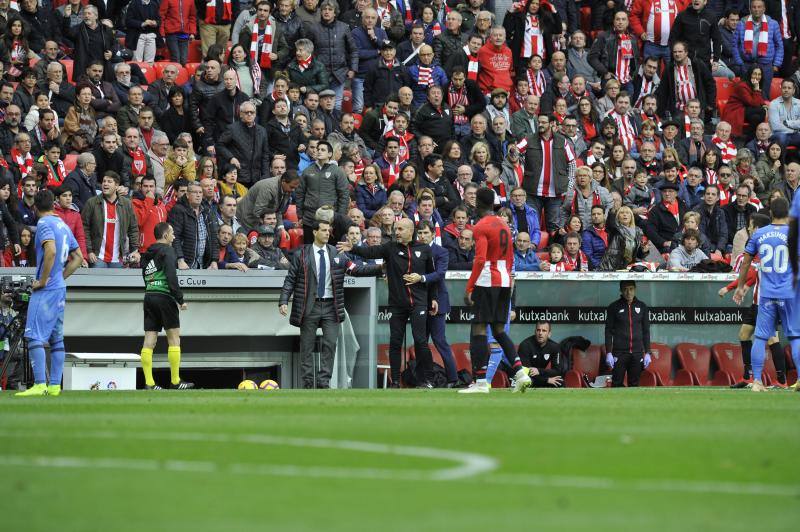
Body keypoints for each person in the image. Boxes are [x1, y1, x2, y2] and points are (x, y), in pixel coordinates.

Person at [337, 218, 438, 388]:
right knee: (395, 342)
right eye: (396, 229)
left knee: (420, 341)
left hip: (419, 302)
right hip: (397, 303)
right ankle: (396, 382)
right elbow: (370, 252)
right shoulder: (390, 248)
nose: (396, 232)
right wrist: (352, 248)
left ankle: (427, 379)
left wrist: (433, 298)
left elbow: (432, 275)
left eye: (400, 229)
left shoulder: (424, 249)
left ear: (410, 231)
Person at [279, 219, 380, 388]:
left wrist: (380, 268)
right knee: (307, 346)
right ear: (314, 232)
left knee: (330, 345)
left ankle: (323, 382)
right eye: (324, 230)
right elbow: (290, 279)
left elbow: (355, 269)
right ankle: (308, 383)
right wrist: (283, 300)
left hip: (331, 306)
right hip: (309, 305)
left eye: (329, 231)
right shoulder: (302, 254)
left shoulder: (337, 253)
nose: (327, 233)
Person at [460, 188, 532, 394]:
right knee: (499, 330)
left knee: (479, 329)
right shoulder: (504, 225)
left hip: (487, 280)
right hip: (504, 280)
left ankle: (481, 382)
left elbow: (480, 259)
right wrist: (508, 281)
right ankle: (521, 374)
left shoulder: (480, 226)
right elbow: (510, 257)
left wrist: (470, 286)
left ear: (477, 204)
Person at [15, 189, 83, 397]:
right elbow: (78, 257)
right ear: (54, 205)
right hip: (59, 288)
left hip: (46, 290)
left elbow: (51, 251)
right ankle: (54, 386)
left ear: (35, 208)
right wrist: (60, 277)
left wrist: (44, 280)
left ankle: (39, 384)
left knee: (34, 336)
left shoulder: (44, 224)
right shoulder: (63, 224)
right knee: (56, 339)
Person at [734, 197, 799, 392]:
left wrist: (740, 286)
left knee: (761, 338)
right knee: (795, 337)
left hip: (767, 294)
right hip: (789, 294)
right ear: (788, 213)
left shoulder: (759, 233)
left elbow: (746, 263)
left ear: (770, 213)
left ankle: (757, 381)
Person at [138, 222, 193, 390]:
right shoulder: (168, 251)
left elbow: (145, 274)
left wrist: (151, 288)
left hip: (149, 295)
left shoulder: (147, 253)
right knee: (174, 339)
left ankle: (149, 383)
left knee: (149, 341)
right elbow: (171, 275)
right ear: (165, 235)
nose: (174, 237)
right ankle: (175, 381)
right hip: (164, 297)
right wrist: (180, 299)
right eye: (172, 233)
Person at [417, 220, 457, 387]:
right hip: (419, 301)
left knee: (439, 341)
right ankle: (423, 379)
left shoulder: (441, 251)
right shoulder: (414, 250)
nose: (422, 236)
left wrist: (422, 278)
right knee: (421, 342)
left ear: (433, 234)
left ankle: (453, 379)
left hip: (438, 300)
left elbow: (440, 274)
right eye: (420, 233)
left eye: (426, 233)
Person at [81, 172, 140, 268]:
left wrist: (134, 250)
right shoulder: (92, 203)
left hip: (118, 258)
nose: (105, 184)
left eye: (109, 181)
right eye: (104, 181)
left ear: (116, 186)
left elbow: (133, 229)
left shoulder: (126, 204)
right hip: (97, 257)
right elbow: (84, 228)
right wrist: (89, 251)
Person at [297, 140, 349, 244]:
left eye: (323, 150)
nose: (319, 151)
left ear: (330, 154)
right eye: (318, 149)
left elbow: (344, 195)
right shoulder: (307, 171)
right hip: (309, 219)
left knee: (329, 250)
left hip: (329, 219)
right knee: (309, 249)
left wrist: (339, 218)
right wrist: (300, 215)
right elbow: (300, 194)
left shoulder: (337, 171)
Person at [604, 280, 652, 388]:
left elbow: (646, 331)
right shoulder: (613, 307)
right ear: (621, 290)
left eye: (631, 289)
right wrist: (609, 352)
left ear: (635, 289)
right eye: (625, 289)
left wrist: (648, 352)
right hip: (619, 353)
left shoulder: (642, 306)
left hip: (637, 353)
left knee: (634, 385)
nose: (628, 292)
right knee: (616, 384)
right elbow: (608, 331)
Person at [517, 321, 565, 388]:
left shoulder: (555, 347)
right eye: (538, 330)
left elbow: (557, 371)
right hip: (527, 377)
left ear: (549, 334)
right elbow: (525, 371)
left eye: (544, 331)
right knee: (526, 380)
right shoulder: (525, 345)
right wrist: (546, 380)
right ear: (535, 332)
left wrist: (539, 371)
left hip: (541, 374)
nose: (540, 333)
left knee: (559, 381)